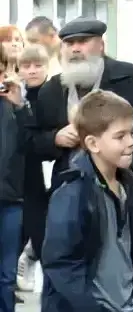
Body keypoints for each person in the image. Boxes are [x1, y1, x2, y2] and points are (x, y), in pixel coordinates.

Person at [41, 90, 133, 312]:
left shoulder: (131, 186)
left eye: (132, 133)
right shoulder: (72, 193)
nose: (131, 142)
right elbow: (62, 265)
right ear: (92, 143)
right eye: (120, 136)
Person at [31, 16, 133, 192]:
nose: (75, 49)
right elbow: (34, 141)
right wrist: (55, 139)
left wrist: (110, 133)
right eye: (69, 43)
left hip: (128, 185)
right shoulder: (51, 90)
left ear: (101, 45)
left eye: (83, 42)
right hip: (71, 188)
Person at [15, 45, 50, 292]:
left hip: (48, 170)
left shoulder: (54, 93)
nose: (32, 71)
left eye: (38, 65)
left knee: (46, 234)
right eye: (26, 66)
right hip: (25, 176)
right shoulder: (18, 95)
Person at [0, 54, 30, 312]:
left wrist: (20, 106)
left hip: (11, 199)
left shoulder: (16, 105)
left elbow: (31, 142)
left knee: (7, 276)